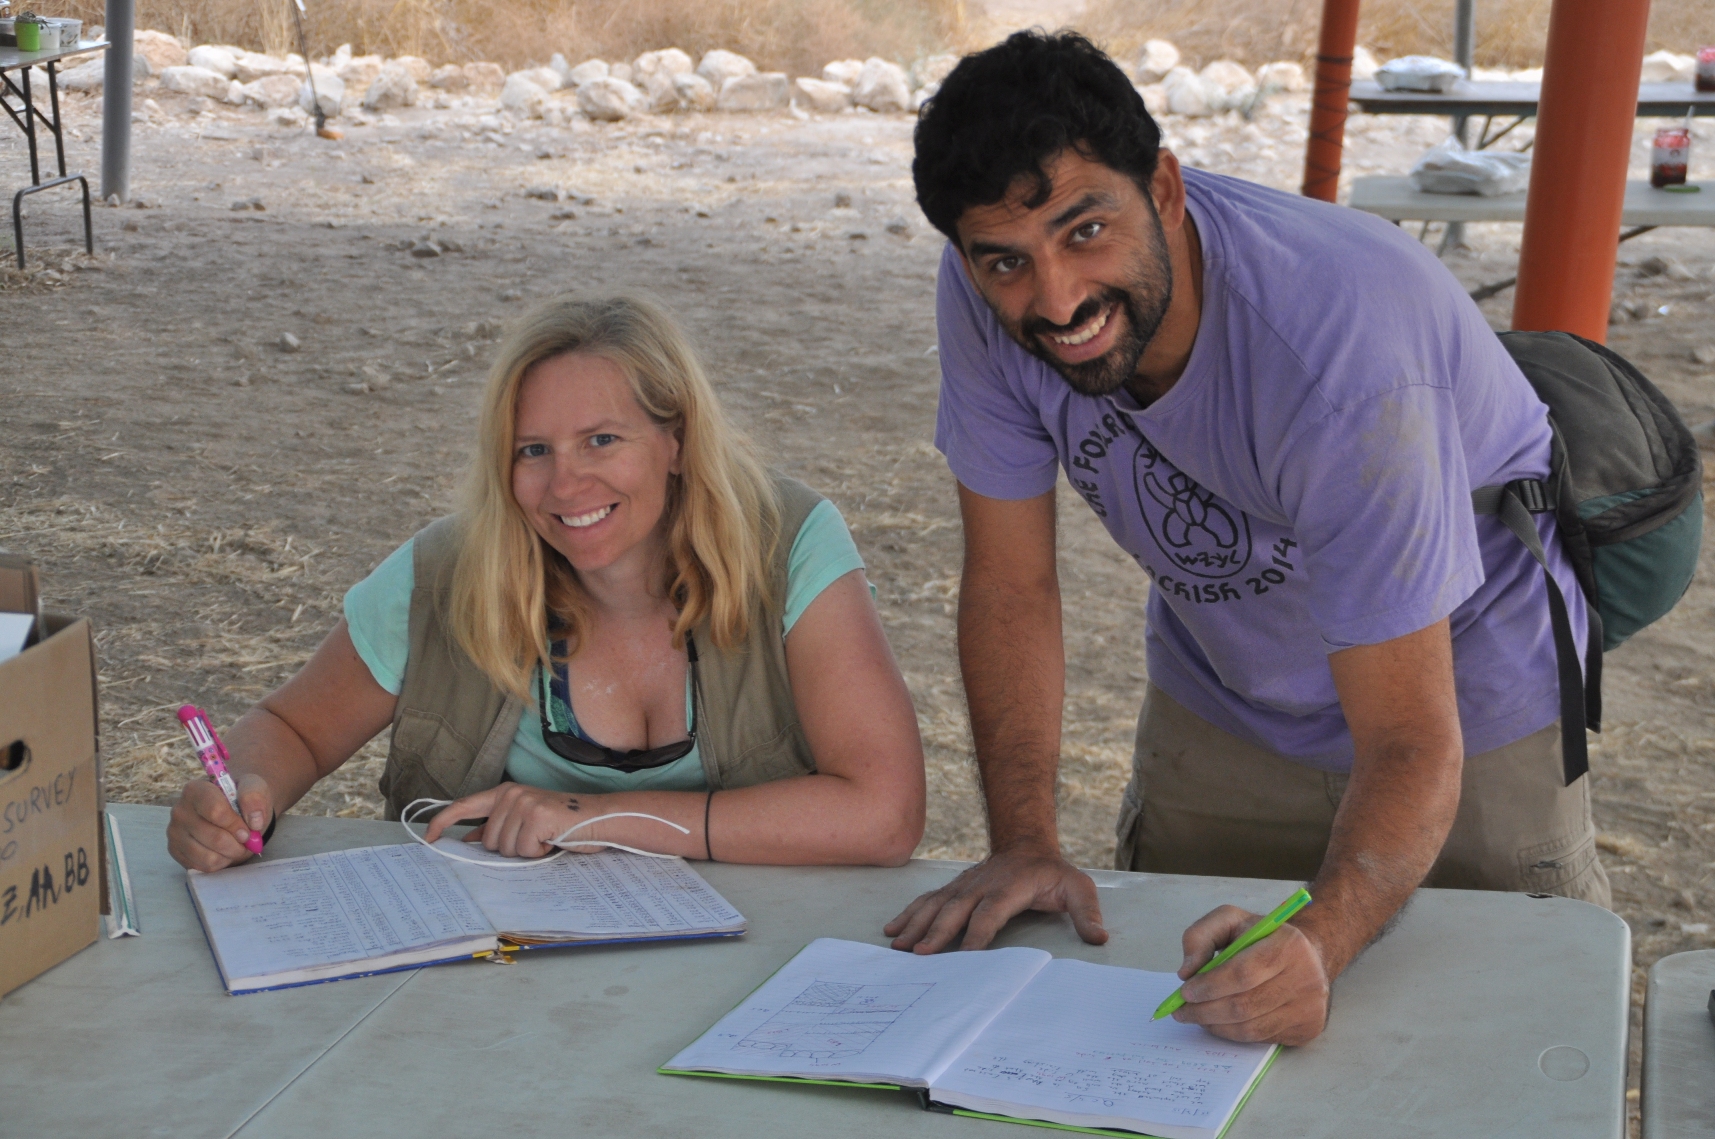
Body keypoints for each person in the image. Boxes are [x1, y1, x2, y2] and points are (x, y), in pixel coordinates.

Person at [885, 32, 1609, 1046]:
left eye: (1085, 230)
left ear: (1166, 191)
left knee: (1482, 1045)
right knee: (1178, 1027)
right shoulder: (979, 291)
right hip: (1225, 692)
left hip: (1461, 696)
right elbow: (1009, 585)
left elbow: (1407, 731)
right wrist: (1024, 841)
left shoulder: (1343, 347)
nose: (1055, 300)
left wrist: (1324, 933)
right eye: (1006, 259)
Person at [168, 293, 925, 871]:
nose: (566, 483)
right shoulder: (444, 573)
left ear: (677, 441)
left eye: (602, 439)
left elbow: (883, 814)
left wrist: (584, 818)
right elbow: (293, 728)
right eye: (533, 449)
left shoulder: (787, 543)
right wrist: (240, 791)